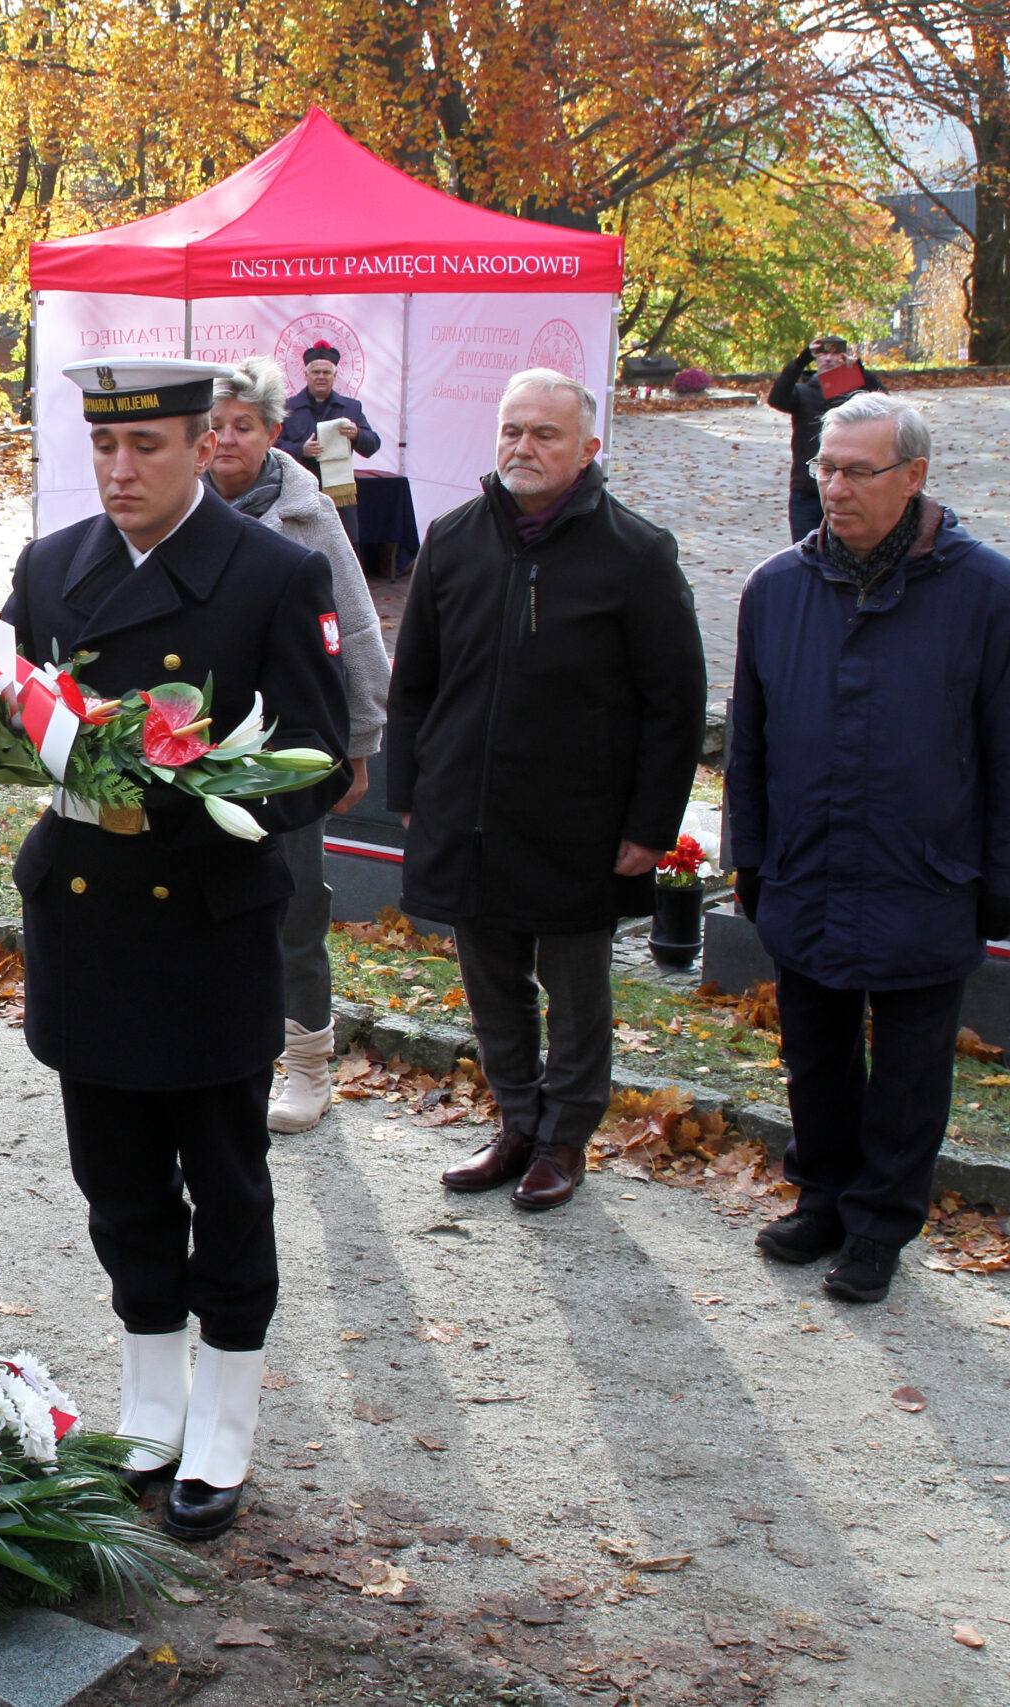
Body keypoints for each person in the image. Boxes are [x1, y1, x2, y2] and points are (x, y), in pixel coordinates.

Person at [0, 356, 349, 1542]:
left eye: (146, 447)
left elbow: (319, 758)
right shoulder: (55, 565)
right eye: (103, 446)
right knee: (119, 1185)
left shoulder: (272, 574)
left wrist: (187, 791)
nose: (120, 470)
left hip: (202, 928)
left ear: (205, 445)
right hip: (88, 924)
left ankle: (224, 1422)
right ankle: (150, 1409)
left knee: (225, 1188)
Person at [728, 392, 1010, 1304]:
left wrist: (1009, 878)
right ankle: (825, 1198)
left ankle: (879, 1225)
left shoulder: (987, 590)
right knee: (815, 1055)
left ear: (914, 476)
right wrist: (749, 853)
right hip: (808, 868)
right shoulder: (776, 587)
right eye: (824, 469)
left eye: (857, 472)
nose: (835, 488)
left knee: (911, 1072)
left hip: (928, 873)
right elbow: (749, 741)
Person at [388, 368, 706, 1213]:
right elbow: (414, 679)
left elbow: (675, 703)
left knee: (576, 993)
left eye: (544, 433)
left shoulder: (636, 553)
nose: (522, 447)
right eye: (511, 430)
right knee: (492, 985)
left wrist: (652, 824)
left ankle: (565, 1138)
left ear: (588, 448)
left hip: (580, 821)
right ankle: (517, 1125)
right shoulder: (453, 538)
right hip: (468, 810)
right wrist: (412, 786)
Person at [202, 356, 390, 1132]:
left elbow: (357, 629)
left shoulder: (309, 513)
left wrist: (359, 745)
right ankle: (219, 1053)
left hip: (286, 748)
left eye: (243, 426)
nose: (226, 440)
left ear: (274, 431)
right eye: (214, 425)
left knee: (296, 906)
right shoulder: (177, 502)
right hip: (192, 744)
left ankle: (308, 1065)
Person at [769, 334, 886, 543]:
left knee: (846, 550)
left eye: (834, 354)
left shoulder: (856, 395)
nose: (829, 359)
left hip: (847, 490)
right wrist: (801, 360)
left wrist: (859, 371)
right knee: (805, 552)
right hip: (807, 490)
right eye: (822, 354)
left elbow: (884, 404)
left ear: (843, 357)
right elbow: (777, 398)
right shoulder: (803, 392)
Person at [275, 342, 380, 475]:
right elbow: (271, 445)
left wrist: (357, 434)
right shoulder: (287, 407)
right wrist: (300, 450)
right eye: (316, 372)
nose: (321, 377)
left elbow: (373, 445)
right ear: (306, 375)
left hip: (339, 482)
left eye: (326, 372)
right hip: (298, 480)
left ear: (334, 376)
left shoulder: (351, 408)